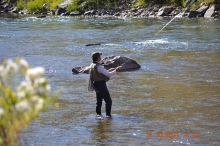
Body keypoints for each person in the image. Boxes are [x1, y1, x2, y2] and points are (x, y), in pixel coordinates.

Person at [89, 52, 122, 120]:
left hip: (95, 84)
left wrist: (108, 70)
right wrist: (116, 70)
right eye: (100, 56)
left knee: (99, 101)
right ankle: (108, 115)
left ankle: (98, 114)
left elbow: (101, 73)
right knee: (108, 100)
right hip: (101, 84)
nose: (100, 57)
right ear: (98, 58)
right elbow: (108, 75)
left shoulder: (92, 65)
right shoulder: (99, 66)